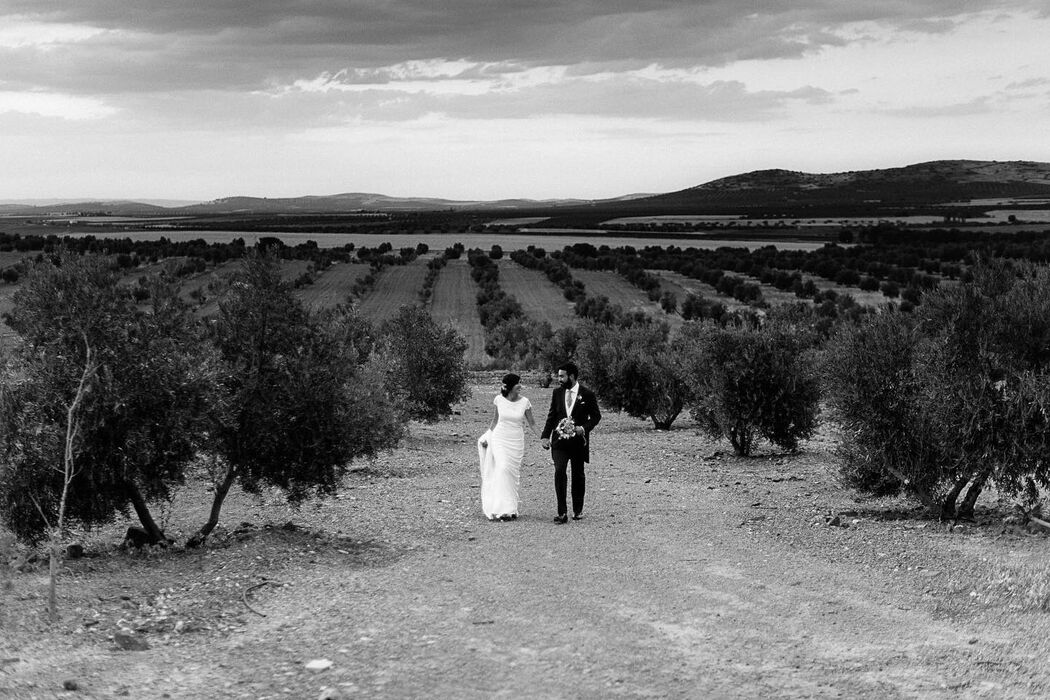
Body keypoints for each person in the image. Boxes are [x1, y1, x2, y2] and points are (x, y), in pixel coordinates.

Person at [540, 362, 601, 523]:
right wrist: (545, 436)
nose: (559, 379)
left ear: (572, 376)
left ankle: (578, 510)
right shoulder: (557, 393)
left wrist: (584, 428)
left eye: (562, 376)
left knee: (578, 474)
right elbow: (552, 415)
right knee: (559, 471)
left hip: (578, 443)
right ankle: (562, 512)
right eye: (558, 375)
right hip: (559, 442)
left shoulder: (587, 394)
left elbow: (596, 416)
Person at [477, 373, 540, 521]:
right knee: (502, 468)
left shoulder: (525, 402)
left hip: (516, 441)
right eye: (518, 383)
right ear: (511, 385)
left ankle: (511, 509)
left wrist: (543, 438)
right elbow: (494, 421)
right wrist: (486, 437)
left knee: (512, 474)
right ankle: (501, 509)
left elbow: (532, 423)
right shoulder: (499, 400)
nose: (521, 386)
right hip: (499, 438)